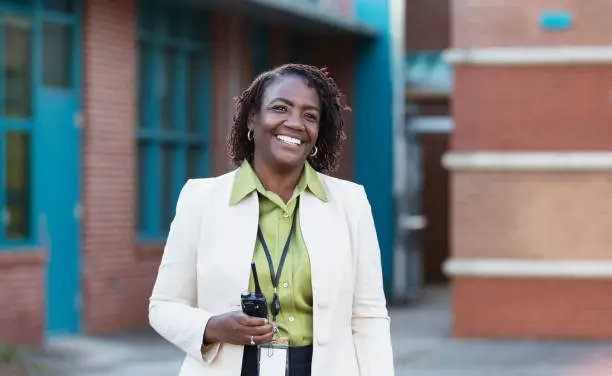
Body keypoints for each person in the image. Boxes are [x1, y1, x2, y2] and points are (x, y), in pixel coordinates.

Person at [148, 64, 394, 376]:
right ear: (253, 118)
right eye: (280, 108)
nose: (295, 123)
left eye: (310, 115)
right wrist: (212, 326)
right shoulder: (200, 199)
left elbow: (369, 315)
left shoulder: (350, 202)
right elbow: (163, 306)